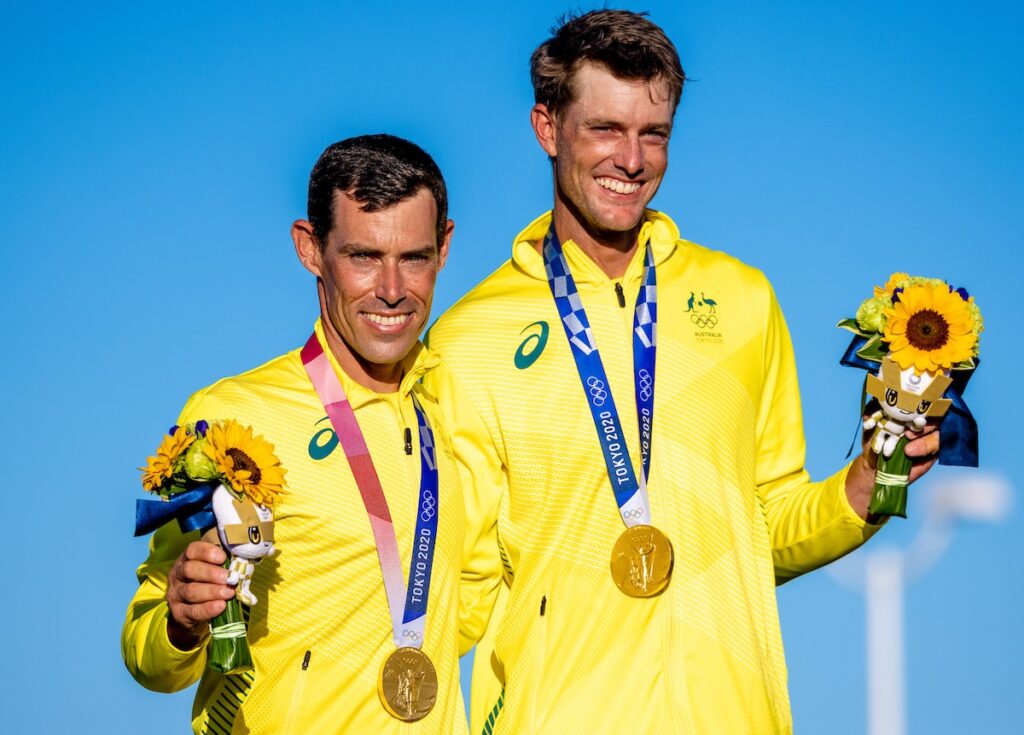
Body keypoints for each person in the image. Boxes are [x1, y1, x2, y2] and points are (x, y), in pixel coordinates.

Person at [424, 10, 940, 734]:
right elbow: (456, 585)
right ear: (547, 128)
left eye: (653, 134)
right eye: (605, 128)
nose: (631, 159)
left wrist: (859, 491)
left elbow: (766, 522)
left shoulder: (744, 299)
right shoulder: (467, 339)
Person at [123, 134, 492, 733]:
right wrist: (179, 623)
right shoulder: (232, 418)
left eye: (415, 257)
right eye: (364, 256)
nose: (393, 289)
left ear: (445, 245)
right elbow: (147, 651)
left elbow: (474, 600)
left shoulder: (465, 404)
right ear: (310, 248)